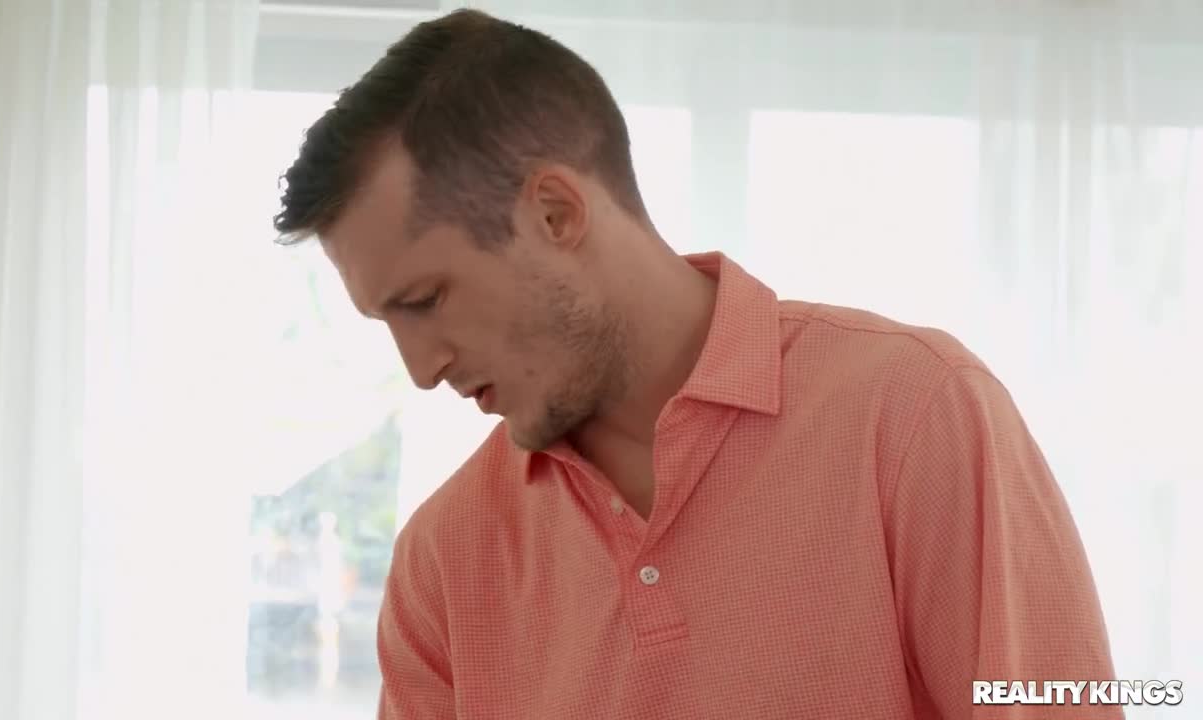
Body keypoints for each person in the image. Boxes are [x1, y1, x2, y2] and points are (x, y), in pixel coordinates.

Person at [272, 8, 1121, 719]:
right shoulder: (443, 562)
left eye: (425, 300)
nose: (421, 369)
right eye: (388, 322)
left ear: (556, 213)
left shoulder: (912, 414)